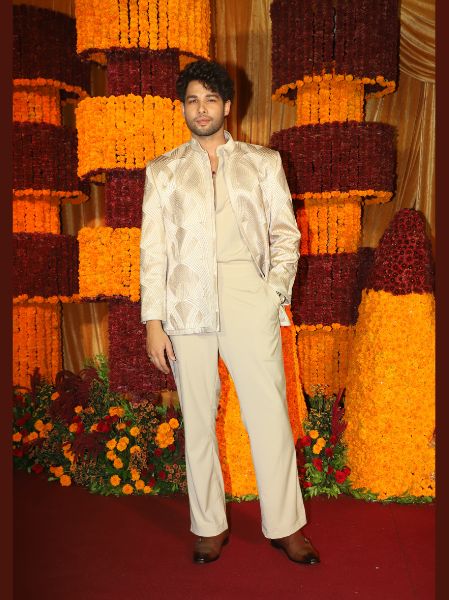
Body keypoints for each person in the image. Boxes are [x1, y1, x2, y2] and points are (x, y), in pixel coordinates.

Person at [139, 59, 319, 565]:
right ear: (183, 107)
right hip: (185, 303)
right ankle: (208, 526)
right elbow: (152, 252)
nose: (201, 109)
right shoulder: (163, 171)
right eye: (192, 100)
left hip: (248, 296)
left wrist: (272, 295)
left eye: (210, 100)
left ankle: (286, 526)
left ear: (227, 106)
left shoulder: (263, 162)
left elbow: (286, 235)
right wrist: (153, 321)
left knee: (270, 415)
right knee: (198, 419)